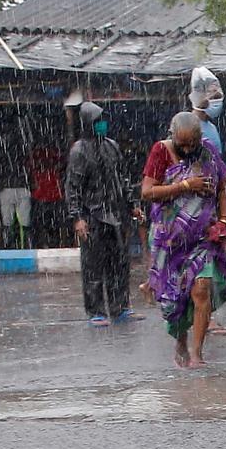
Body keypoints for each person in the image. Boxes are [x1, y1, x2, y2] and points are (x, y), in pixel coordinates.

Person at [140, 112, 226, 368]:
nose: (187, 149)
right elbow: (148, 191)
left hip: (202, 236)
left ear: (199, 139)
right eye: (182, 144)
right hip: (169, 240)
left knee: (201, 287)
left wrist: (224, 220)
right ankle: (180, 341)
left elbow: (221, 185)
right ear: (172, 136)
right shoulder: (160, 151)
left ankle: (197, 353)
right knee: (175, 297)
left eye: (192, 144)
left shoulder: (206, 152)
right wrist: (185, 186)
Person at [65, 101, 145, 327]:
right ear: (89, 123)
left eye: (103, 121)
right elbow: (73, 187)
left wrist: (133, 204)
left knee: (119, 263)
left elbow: (124, 179)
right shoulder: (79, 150)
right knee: (93, 266)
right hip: (92, 215)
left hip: (115, 214)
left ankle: (120, 307)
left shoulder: (112, 146)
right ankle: (96, 311)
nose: (102, 125)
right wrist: (77, 217)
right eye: (98, 121)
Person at [187, 66, 226, 333]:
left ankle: (205, 313)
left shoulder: (211, 127)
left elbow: (216, 166)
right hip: (196, 207)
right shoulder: (187, 125)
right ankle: (202, 316)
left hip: (214, 205)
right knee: (203, 264)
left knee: (214, 262)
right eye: (212, 93)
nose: (216, 99)